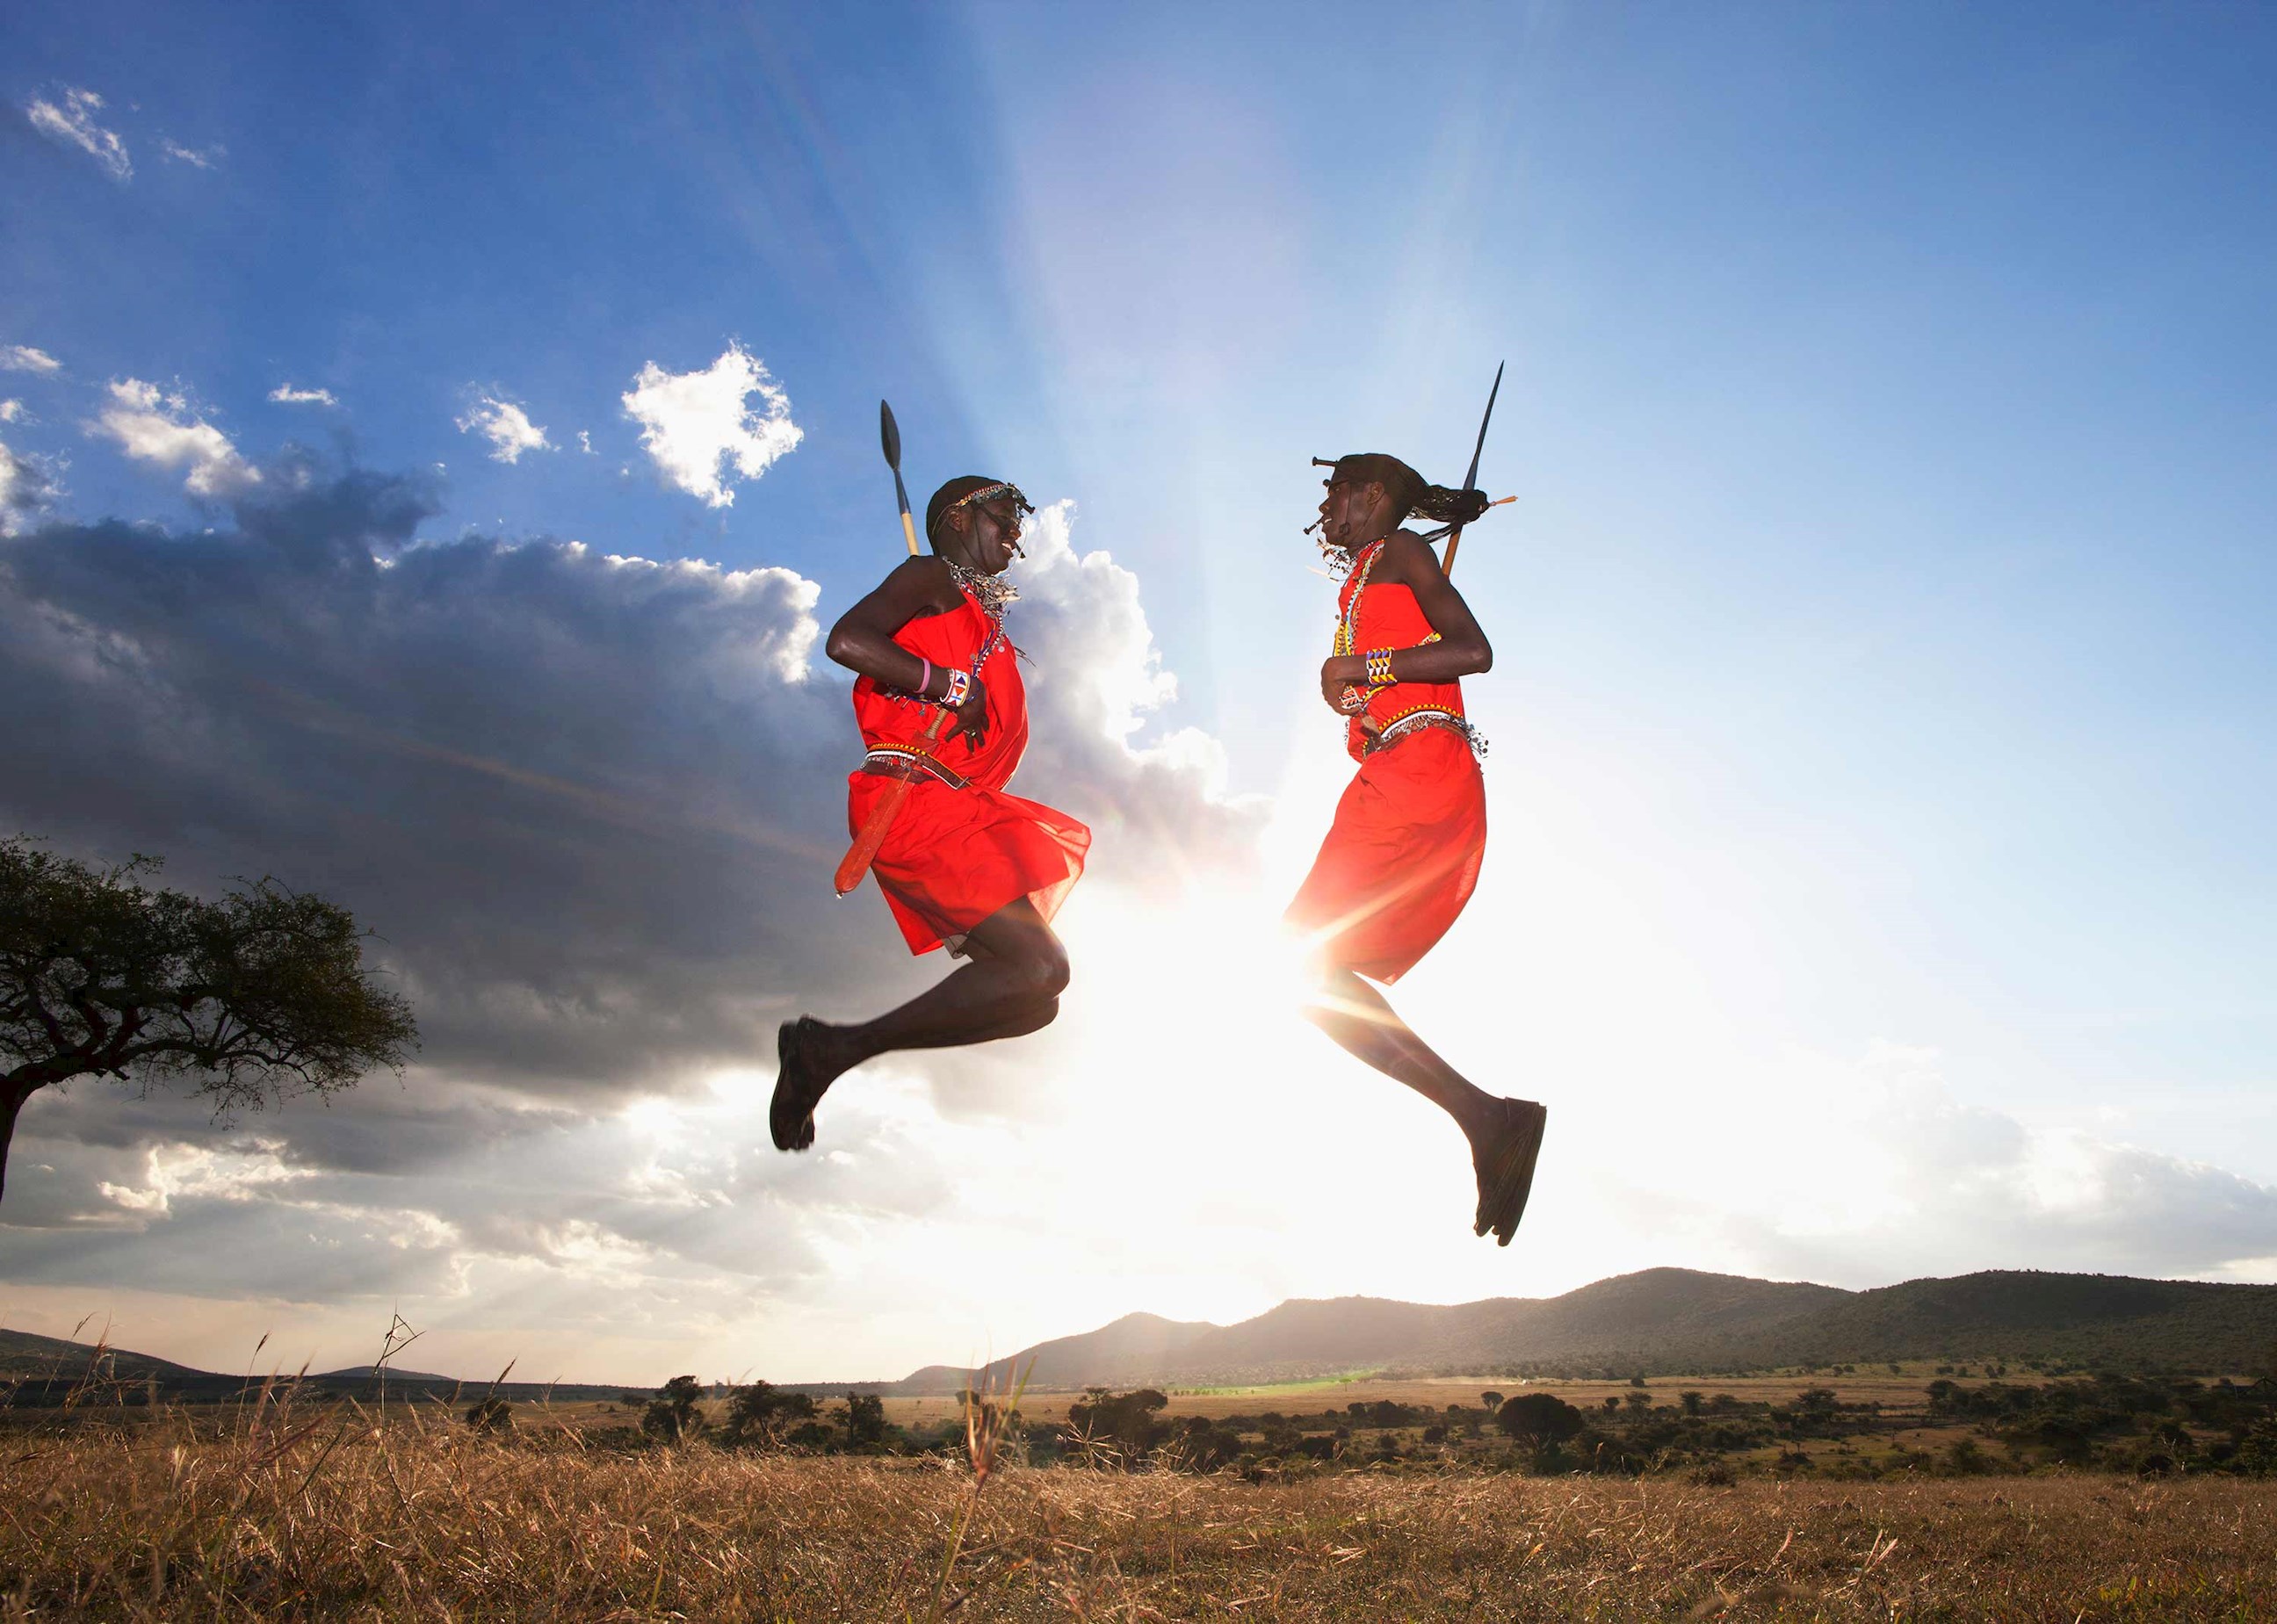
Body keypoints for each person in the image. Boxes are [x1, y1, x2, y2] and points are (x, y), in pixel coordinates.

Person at [771, 477, 1089, 1151]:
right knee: (1042, 968)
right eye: (1004, 515)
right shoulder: (928, 576)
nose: (1016, 531)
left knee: (1034, 1002)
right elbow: (847, 641)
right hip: (915, 801)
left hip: (956, 807)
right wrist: (944, 683)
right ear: (957, 517)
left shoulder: (978, 616)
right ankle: (828, 1051)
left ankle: (827, 1051)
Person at [1285, 452, 1547, 1245]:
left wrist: (1365, 667)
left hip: (1422, 767)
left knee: (1300, 963)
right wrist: (1363, 705)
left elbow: (1474, 651)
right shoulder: (1366, 576)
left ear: (1370, 495)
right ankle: (1488, 1120)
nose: (1324, 505)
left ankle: (1492, 1121)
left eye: (1333, 490)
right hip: (1396, 768)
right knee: (1307, 970)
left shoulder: (1400, 553)